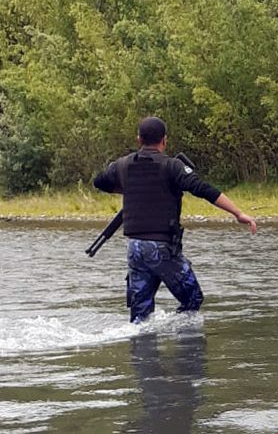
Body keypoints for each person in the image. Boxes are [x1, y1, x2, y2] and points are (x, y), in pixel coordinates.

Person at [94, 116, 257, 323]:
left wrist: (132, 189)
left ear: (138, 139)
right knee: (193, 299)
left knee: (140, 317)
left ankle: (142, 352)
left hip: (134, 248)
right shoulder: (171, 166)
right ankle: (183, 346)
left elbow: (99, 181)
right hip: (161, 248)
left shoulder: (122, 165)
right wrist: (238, 213)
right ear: (164, 141)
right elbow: (203, 189)